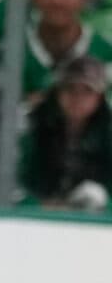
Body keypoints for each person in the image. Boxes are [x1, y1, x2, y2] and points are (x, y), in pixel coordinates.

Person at [20, 55, 112, 211]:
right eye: (70, 89)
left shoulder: (108, 133)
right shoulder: (34, 125)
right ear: (57, 93)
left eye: (87, 91)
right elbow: (17, 177)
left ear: (99, 98)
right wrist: (38, 204)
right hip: (36, 213)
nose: (77, 98)